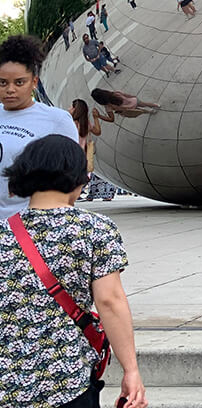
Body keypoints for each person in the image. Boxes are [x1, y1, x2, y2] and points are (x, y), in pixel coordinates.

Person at [0, 135, 148, 408]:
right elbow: (110, 301)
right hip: (69, 380)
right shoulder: (95, 229)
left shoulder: (3, 233)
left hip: (8, 385)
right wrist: (131, 370)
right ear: (77, 177)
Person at [0, 36, 81, 220]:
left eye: (19, 82)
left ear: (34, 82)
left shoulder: (57, 119)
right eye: (3, 82)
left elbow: (73, 174)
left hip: (29, 225)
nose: (10, 89)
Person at [91, 88, 160, 121]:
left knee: (142, 111)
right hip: (133, 101)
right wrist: (133, 97)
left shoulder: (108, 107)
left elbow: (111, 119)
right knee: (145, 104)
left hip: (130, 110)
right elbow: (127, 95)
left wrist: (99, 116)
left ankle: (151, 112)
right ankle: (156, 105)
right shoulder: (115, 93)